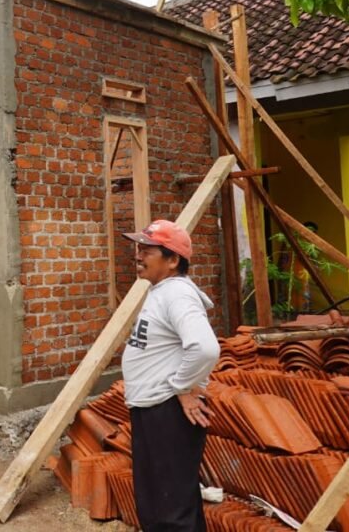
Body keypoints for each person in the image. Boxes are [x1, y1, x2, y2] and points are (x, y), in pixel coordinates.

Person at [122, 219, 220, 531]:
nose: (138, 256)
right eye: (139, 248)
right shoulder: (162, 291)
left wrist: (181, 388)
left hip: (169, 413)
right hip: (155, 410)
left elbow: (205, 348)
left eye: (147, 250)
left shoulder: (178, 294)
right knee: (165, 502)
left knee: (168, 511)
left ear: (173, 260)